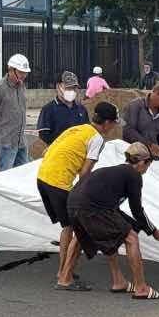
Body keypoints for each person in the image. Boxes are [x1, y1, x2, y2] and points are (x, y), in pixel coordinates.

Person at [68, 142, 159, 301]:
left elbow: (114, 209)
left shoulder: (114, 172)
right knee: (131, 238)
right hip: (91, 207)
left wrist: (135, 225)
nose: (147, 168)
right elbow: (137, 210)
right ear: (142, 162)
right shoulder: (133, 175)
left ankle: (118, 281)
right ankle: (141, 287)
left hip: (73, 204)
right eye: (149, 163)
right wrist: (153, 231)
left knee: (113, 234)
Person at [36, 101, 117, 291]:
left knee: (68, 226)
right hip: (58, 182)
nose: (113, 128)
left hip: (42, 177)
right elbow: (85, 173)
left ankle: (63, 270)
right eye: (113, 124)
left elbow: (47, 150)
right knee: (76, 227)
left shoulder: (77, 129)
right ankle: (65, 275)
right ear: (106, 123)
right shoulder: (97, 139)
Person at [0, 53, 30, 171]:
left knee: (22, 174)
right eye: (21, 72)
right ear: (11, 70)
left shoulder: (21, 86)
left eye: (25, 72)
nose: (24, 75)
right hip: (5, 141)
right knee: (5, 174)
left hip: (20, 141)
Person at [122, 79, 159, 159]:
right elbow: (128, 131)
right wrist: (149, 144)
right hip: (133, 156)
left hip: (151, 158)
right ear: (157, 92)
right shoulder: (135, 106)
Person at [37, 71, 90, 146]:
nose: (71, 91)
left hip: (78, 151)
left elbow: (86, 130)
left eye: (74, 88)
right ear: (58, 86)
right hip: (58, 152)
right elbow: (43, 134)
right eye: (68, 88)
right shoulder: (48, 109)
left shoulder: (81, 109)